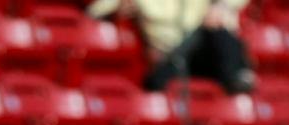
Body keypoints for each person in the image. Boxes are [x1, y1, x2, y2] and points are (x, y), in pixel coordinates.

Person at [87, 0, 256, 95]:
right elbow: (95, 10)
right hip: (168, 56)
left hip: (200, 48)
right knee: (160, 81)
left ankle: (237, 80)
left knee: (220, 32)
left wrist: (222, 6)